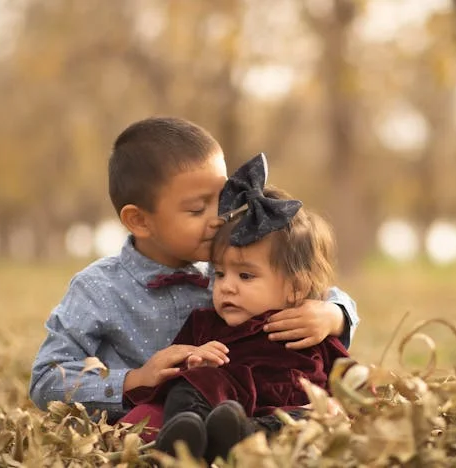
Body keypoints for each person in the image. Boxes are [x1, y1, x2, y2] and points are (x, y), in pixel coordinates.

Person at [28, 117, 359, 424]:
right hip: (156, 422)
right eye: (197, 209)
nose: (217, 218)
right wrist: (134, 379)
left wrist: (333, 314)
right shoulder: (97, 289)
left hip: (245, 412)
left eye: (222, 200)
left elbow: (304, 282)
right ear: (140, 220)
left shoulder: (231, 266)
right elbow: (46, 378)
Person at [122, 154, 349, 462]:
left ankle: (238, 437)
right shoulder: (204, 322)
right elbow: (172, 368)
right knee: (187, 387)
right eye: (218, 273)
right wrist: (192, 361)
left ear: (295, 288)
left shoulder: (307, 323)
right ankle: (180, 437)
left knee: (312, 418)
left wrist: (348, 403)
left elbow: (346, 374)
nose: (226, 286)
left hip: (279, 411)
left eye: (245, 275)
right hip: (217, 404)